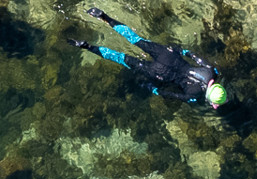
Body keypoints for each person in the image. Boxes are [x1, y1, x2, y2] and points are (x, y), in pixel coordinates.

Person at [69, 6, 229, 109]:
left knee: (135, 39)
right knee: (121, 58)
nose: (215, 106)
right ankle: (87, 46)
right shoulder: (194, 97)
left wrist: (181, 51)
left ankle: (104, 17)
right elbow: (171, 94)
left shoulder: (212, 71)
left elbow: (195, 56)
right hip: (160, 72)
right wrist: (153, 89)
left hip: (169, 56)